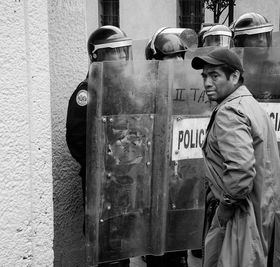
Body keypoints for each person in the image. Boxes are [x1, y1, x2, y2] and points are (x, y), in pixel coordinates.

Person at [191, 47, 280, 266]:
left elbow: (240, 172)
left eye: (214, 75)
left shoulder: (230, 111)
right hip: (259, 213)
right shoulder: (250, 104)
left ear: (234, 76)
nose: (207, 83)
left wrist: (224, 211)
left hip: (240, 219)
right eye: (205, 76)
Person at [66, 25, 132, 267]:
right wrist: (101, 165)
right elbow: (76, 139)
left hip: (123, 180)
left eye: (125, 51)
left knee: (122, 241)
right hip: (100, 182)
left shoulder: (121, 89)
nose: (123, 57)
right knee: (104, 243)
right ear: (98, 56)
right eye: (116, 51)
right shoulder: (87, 93)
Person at [144, 27, 188, 267]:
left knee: (179, 244)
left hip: (181, 178)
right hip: (154, 181)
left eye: (181, 56)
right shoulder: (143, 90)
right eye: (173, 57)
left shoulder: (190, 88)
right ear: (156, 61)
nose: (179, 62)